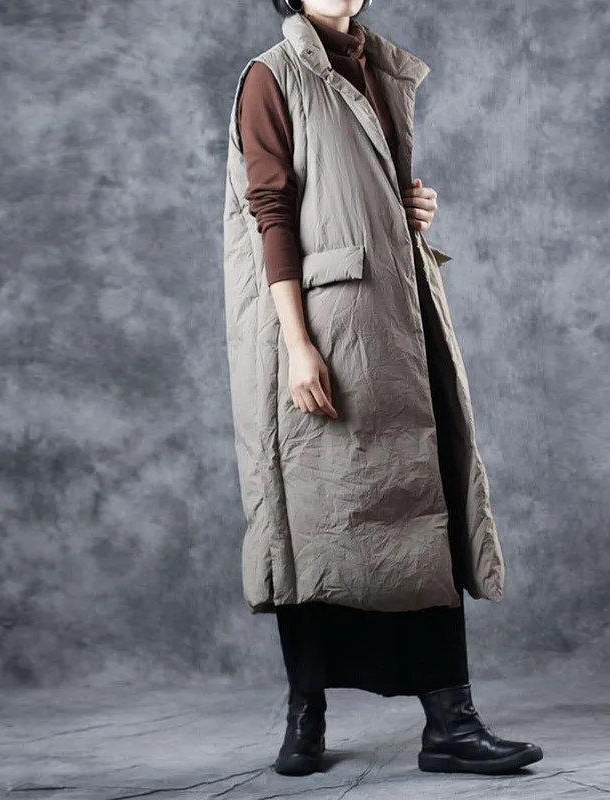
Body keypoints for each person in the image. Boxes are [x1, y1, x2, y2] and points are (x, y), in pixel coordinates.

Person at [223, 0, 544, 777]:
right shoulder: (271, 76)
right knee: (314, 515)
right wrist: (298, 346)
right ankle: (305, 716)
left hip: (396, 324)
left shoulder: (378, 64)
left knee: (424, 506)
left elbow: (360, 197)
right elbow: (270, 212)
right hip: (324, 332)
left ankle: (451, 722)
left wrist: (410, 209)